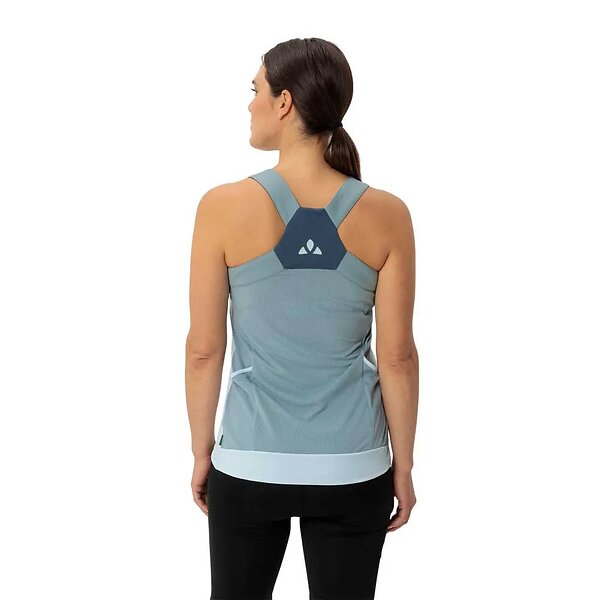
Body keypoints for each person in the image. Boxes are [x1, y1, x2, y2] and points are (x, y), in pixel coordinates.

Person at [185, 37, 419, 600]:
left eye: (255, 90)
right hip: (353, 468)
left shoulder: (221, 207)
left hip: (249, 463)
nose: (250, 104)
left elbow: (203, 350)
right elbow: (397, 357)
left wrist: (202, 453)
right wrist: (404, 466)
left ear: (284, 102)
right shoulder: (388, 214)